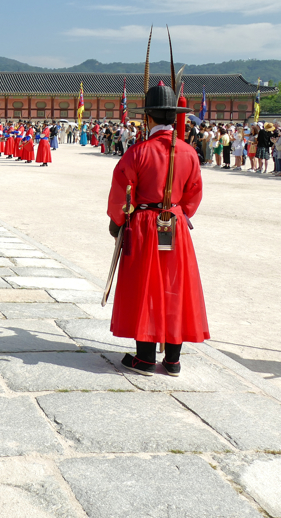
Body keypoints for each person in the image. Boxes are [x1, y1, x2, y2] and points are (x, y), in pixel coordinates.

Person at [107, 82, 208, 377]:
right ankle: (173, 359)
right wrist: (179, 212)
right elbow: (194, 194)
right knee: (174, 284)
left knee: (145, 283)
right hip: (174, 226)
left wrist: (118, 223)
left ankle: (146, 357)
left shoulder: (138, 152)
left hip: (145, 225)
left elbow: (123, 193)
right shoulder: (188, 153)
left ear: (149, 118)